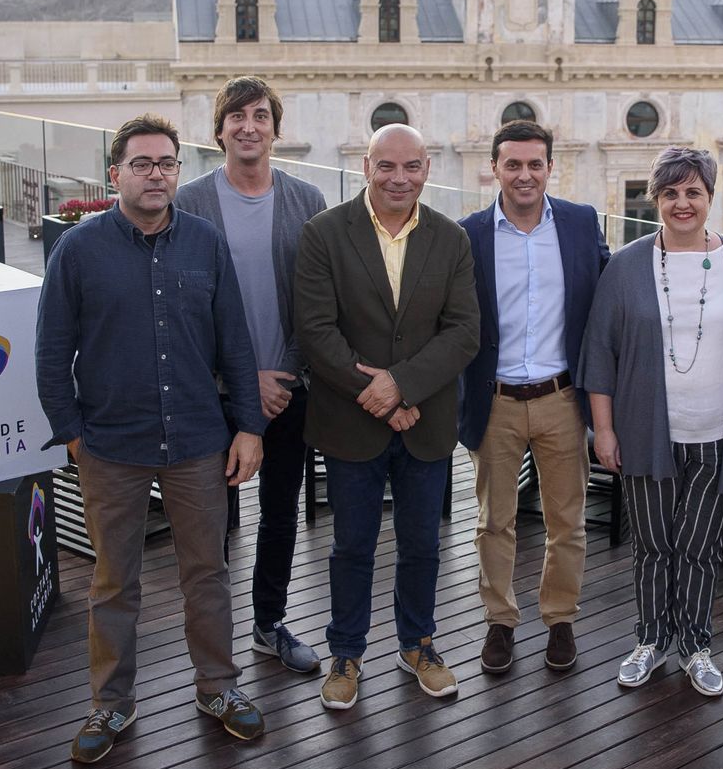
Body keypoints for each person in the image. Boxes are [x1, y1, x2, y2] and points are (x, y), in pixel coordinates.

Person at [36, 113, 267, 764]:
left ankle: (218, 689)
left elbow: (236, 345)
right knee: (114, 584)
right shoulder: (78, 251)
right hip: (111, 446)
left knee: (208, 575)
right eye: (142, 164)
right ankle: (110, 703)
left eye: (166, 163)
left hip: (198, 439)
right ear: (116, 175)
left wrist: (248, 426)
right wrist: (73, 438)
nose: (156, 173)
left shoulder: (205, 244)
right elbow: (51, 354)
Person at [294, 122, 480, 710]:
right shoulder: (323, 234)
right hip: (352, 421)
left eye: (412, 167)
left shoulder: (451, 239)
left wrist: (401, 386)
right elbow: (315, 333)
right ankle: (346, 654)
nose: (399, 178)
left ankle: (418, 644)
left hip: (426, 419)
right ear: (366, 167)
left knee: (423, 543)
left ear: (427, 169)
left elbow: (464, 332)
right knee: (351, 545)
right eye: (387, 166)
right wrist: (376, 395)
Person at [579, 147, 723, 696]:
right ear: (655, 199)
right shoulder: (628, 265)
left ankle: (696, 645)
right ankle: (651, 640)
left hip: (719, 434)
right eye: (670, 193)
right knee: (654, 545)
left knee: (700, 546)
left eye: (693, 192)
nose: (682, 203)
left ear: (710, 197)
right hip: (644, 431)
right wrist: (604, 429)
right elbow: (599, 353)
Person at [177, 75, 328, 674]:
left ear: (275, 129)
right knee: (209, 521)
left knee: (280, 510)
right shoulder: (189, 202)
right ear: (219, 131)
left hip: (287, 390)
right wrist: (239, 377)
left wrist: (282, 370)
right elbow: (180, 308)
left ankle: (268, 623)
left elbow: (318, 303)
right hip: (212, 392)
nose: (249, 126)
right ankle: (211, 645)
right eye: (236, 116)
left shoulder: (306, 201)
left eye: (260, 116)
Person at [458, 120, 609, 674]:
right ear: (494, 167)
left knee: (566, 521)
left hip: (562, 399)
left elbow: (605, 299)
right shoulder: (469, 233)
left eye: (535, 164)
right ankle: (499, 621)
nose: (525, 175)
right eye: (513, 164)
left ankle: (560, 617)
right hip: (493, 400)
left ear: (550, 167)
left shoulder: (579, 223)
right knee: (493, 521)